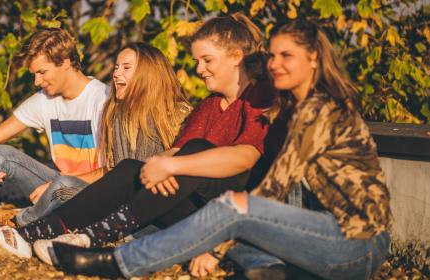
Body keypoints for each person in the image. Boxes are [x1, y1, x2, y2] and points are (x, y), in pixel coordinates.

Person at [50, 19, 393, 280]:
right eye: (272, 56)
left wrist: (217, 242)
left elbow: (275, 189)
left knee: (235, 209)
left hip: (356, 242)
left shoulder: (322, 110)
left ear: (314, 60)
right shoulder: (287, 108)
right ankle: (267, 267)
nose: (275, 64)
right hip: (311, 233)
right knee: (249, 251)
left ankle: (119, 263)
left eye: (287, 56)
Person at [0, 14, 284, 262]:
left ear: (237, 57)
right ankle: (33, 233)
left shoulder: (260, 97)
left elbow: (245, 157)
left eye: (206, 60)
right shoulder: (210, 105)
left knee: (189, 154)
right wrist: (158, 165)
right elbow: (174, 151)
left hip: (231, 212)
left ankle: (89, 235)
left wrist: (169, 165)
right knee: (132, 166)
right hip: (188, 207)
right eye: (198, 60)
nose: (199, 68)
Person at [0, 28, 110, 230]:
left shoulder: (104, 99)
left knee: (62, 186)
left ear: (66, 62)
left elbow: (115, 170)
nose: (37, 81)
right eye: (34, 74)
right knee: (0, 154)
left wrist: (56, 188)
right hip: (57, 188)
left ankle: (12, 222)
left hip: (96, 195)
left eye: (42, 72)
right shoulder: (45, 100)